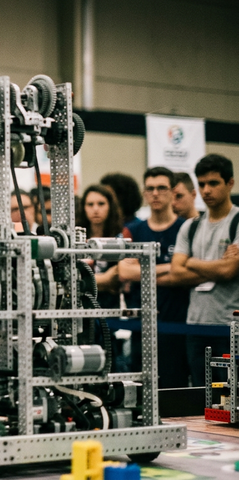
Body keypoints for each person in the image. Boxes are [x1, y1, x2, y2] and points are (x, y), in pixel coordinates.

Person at [170, 154, 239, 386]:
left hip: (229, 328)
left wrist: (191, 261)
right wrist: (216, 266)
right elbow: (177, 271)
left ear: (230, 183)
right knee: (201, 396)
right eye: (201, 184)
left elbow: (229, 270)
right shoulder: (191, 226)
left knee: (231, 401)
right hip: (195, 327)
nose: (206, 190)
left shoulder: (237, 221)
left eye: (213, 183)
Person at [118, 167, 189, 387]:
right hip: (142, 324)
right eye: (150, 188)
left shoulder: (185, 229)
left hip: (177, 323)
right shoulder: (133, 230)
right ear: (144, 192)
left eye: (161, 188)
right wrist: (170, 267)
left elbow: (188, 275)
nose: (155, 193)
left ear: (172, 191)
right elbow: (124, 272)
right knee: (141, 389)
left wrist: (143, 271)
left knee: (174, 390)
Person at [77, 185, 126, 308]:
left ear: (110, 206)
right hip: (80, 307)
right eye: (90, 204)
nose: (95, 209)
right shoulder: (76, 238)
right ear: (83, 207)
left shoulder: (120, 237)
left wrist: (83, 282)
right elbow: (71, 280)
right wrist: (104, 279)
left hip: (110, 307)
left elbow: (115, 280)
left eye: (101, 203)